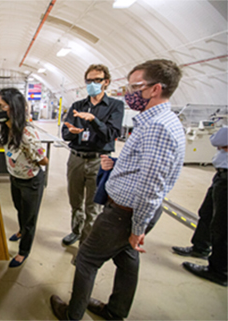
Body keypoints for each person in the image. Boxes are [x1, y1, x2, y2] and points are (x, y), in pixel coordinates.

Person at [50, 59, 185, 320]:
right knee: (126, 258)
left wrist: (138, 227)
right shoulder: (158, 121)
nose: (130, 93)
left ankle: (72, 315)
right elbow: (147, 166)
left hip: (125, 213)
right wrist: (119, 164)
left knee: (87, 259)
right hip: (128, 209)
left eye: (135, 87)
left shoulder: (157, 127)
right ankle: (115, 312)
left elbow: (152, 186)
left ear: (155, 89)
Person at [61, 64, 124, 247]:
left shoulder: (115, 106)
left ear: (106, 82)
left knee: (93, 206)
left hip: (99, 160)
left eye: (97, 80)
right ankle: (76, 230)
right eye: (89, 80)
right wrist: (72, 131)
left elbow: (111, 134)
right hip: (76, 158)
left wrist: (93, 120)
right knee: (75, 201)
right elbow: (65, 134)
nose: (92, 84)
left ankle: (85, 244)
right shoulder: (77, 106)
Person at [0, 88, 48, 268]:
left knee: (29, 219)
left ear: (13, 108)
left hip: (31, 181)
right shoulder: (3, 128)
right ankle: (20, 231)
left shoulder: (27, 134)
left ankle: (23, 251)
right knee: (19, 208)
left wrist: (30, 151)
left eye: (2, 106)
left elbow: (44, 160)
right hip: (15, 177)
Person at [173, 125, 227, 287]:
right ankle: (200, 248)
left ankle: (219, 271)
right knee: (207, 213)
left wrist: (221, 142)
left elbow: (217, 139)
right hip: (222, 175)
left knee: (222, 226)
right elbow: (218, 141)